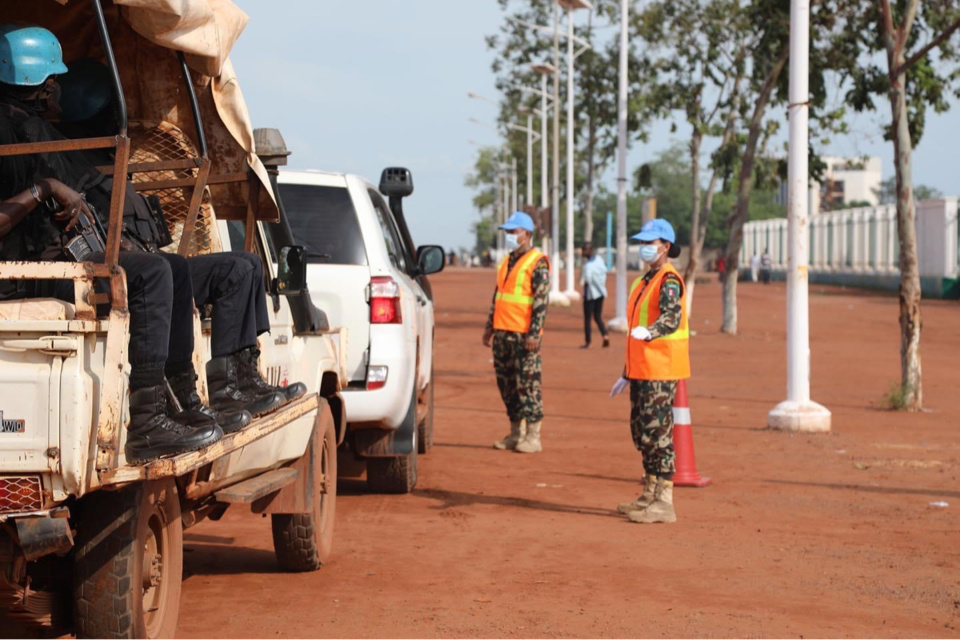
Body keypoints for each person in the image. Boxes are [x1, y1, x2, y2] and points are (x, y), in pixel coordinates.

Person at [0, 25, 304, 463]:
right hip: (31, 274)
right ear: (43, 87)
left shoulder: (40, 134)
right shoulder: (18, 136)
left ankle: (187, 400)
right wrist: (44, 189)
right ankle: (147, 423)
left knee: (183, 268)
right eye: (53, 84)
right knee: (153, 272)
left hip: (58, 263)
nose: (57, 94)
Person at [609, 218, 690, 524]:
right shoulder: (643, 281)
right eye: (641, 243)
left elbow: (671, 318)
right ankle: (649, 493)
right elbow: (636, 333)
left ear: (665, 246)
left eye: (650, 243)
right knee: (642, 433)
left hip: (661, 370)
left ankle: (665, 501)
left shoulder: (668, 280)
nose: (644, 248)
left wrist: (651, 331)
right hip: (642, 370)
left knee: (659, 434)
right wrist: (627, 372)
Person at [482, 211, 550, 454]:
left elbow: (541, 302)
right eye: (507, 232)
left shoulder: (537, 262)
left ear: (527, 234)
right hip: (503, 333)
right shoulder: (506, 262)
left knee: (528, 385)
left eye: (513, 232)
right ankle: (515, 432)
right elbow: (498, 296)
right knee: (507, 385)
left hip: (524, 336)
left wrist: (534, 333)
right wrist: (490, 326)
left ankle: (534, 436)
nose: (509, 236)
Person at [579, 242, 609, 349]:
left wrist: (585, 292)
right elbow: (605, 272)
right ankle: (605, 335)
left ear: (590, 250)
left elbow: (587, 279)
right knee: (597, 316)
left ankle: (588, 342)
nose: (583, 252)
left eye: (584, 250)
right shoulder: (599, 260)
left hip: (591, 295)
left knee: (587, 318)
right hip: (601, 293)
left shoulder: (588, 265)